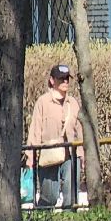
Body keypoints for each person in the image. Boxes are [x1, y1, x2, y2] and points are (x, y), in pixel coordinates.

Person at [25, 64, 82, 209]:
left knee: (71, 196)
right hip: (48, 155)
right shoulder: (43, 102)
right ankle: (43, 219)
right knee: (49, 196)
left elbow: (79, 130)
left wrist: (82, 154)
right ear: (52, 80)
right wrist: (30, 157)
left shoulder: (73, 103)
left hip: (70, 156)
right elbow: (35, 129)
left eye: (67, 79)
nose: (65, 82)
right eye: (61, 79)